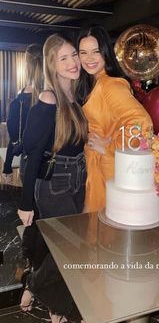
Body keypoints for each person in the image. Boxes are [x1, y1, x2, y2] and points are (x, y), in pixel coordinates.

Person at [17, 34, 88, 323]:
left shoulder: (75, 96)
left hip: (76, 178)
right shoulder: (49, 98)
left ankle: (48, 300)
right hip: (54, 182)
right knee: (69, 247)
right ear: (52, 65)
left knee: (59, 244)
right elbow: (33, 154)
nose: (73, 63)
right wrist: (25, 203)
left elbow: (73, 141)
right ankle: (38, 288)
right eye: (64, 58)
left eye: (74, 55)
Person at [76, 25, 153, 213]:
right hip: (95, 166)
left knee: (103, 229)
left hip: (107, 168)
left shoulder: (110, 84)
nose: (89, 59)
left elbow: (142, 123)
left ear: (105, 52)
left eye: (95, 52)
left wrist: (109, 147)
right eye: (83, 52)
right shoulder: (92, 82)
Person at [2, 44, 43, 183]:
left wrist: (7, 166)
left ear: (27, 65)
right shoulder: (52, 92)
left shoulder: (21, 96)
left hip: (28, 157)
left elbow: (14, 133)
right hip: (48, 158)